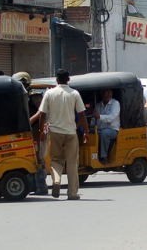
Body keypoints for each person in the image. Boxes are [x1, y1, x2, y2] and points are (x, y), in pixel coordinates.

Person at [37, 69, 88, 200]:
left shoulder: (49, 93)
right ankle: (72, 193)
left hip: (54, 133)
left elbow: (42, 114)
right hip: (71, 133)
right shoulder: (74, 94)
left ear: (56, 79)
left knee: (55, 161)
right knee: (72, 163)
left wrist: (42, 131)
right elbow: (82, 114)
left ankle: (57, 180)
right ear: (68, 79)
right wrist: (86, 132)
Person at [94, 89, 120, 162]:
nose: (108, 94)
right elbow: (94, 118)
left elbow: (111, 118)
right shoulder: (98, 105)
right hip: (99, 129)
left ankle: (103, 156)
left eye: (109, 92)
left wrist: (100, 116)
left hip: (112, 130)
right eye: (106, 92)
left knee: (104, 133)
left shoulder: (115, 103)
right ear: (102, 94)